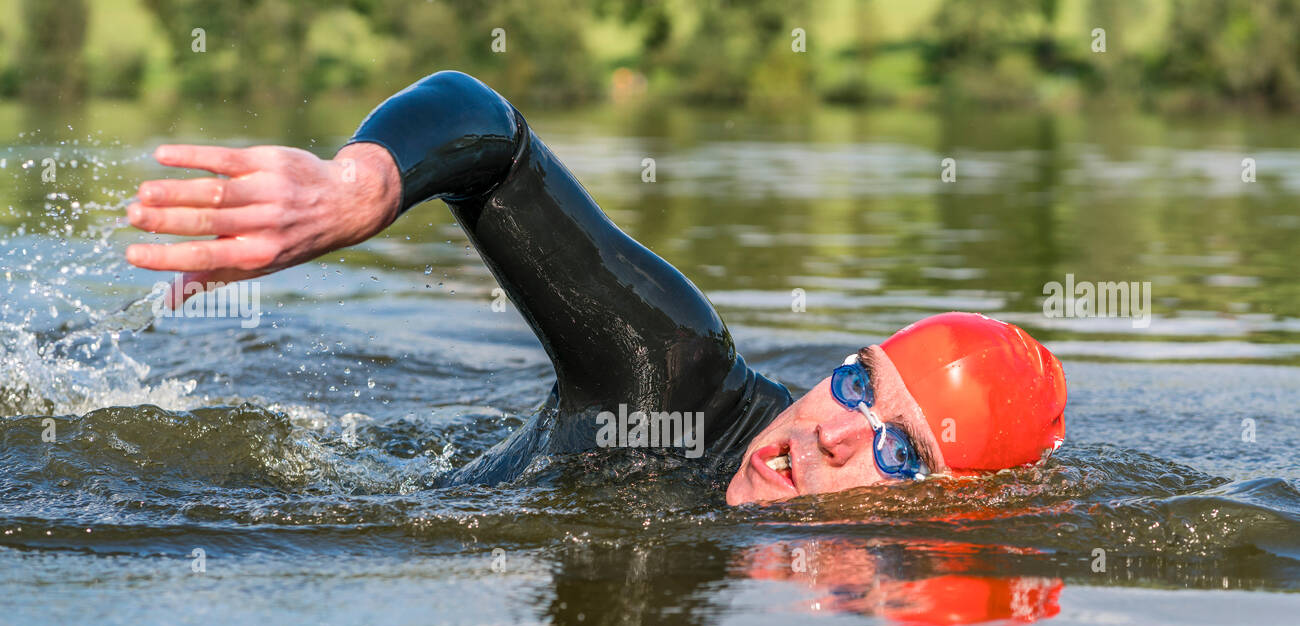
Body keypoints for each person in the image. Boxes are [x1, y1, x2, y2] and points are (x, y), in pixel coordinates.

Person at [125, 71, 1067, 506]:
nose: (831, 429)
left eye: (897, 452)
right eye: (859, 383)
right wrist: (361, 185)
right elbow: (490, 135)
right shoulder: (677, 379)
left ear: (941, 518)